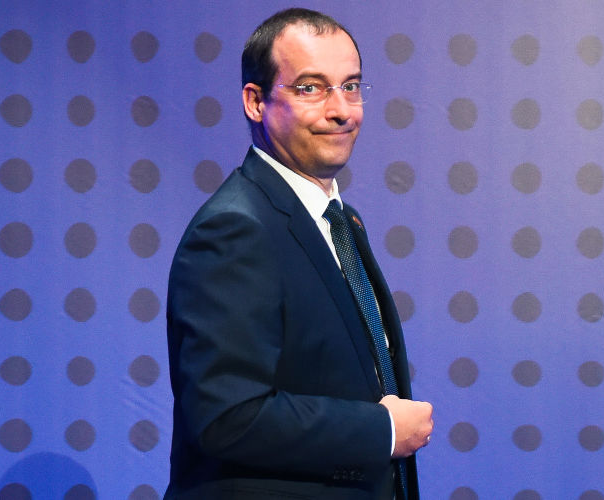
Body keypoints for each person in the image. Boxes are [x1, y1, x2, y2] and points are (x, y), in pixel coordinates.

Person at [165, 8, 433, 500]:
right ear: (256, 102)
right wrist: (382, 431)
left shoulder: (341, 220)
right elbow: (227, 416)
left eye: (351, 86)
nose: (341, 110)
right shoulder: (235, 229)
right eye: (311, 88)